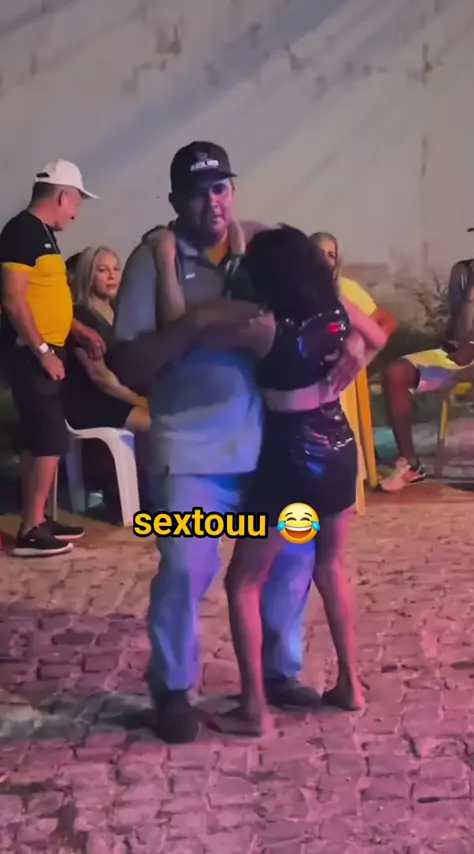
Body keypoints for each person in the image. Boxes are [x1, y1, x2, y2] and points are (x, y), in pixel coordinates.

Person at [113, 141, 332, 744]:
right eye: (196, 192)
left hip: (272, 448)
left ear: (232, 190)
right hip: (191, 451)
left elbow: (321, 310)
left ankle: (278, 672)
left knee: (293, 556)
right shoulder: (150, 261)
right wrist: (190, 328)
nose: (211, 201)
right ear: (174, 200)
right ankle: (172, 688)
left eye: (220, 188)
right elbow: (129, 365)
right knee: (186, 566)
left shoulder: (259, 249)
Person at [204, 226, 388, 736]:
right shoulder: (338, 309)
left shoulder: (261, 326)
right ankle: (350, 684)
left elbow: (191, 331)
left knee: (244, 581)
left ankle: (255, 708)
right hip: (337, 447)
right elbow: (379, 336)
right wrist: (355, 346)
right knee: (331, 566)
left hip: (286, 455)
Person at [0, 160, 105, 557]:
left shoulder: (42, 234)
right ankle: (31, 529)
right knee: (49, 437)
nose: (76, 212)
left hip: (44, 348)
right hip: (29, 351)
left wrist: (76, 329)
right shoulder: (23, 232)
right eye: (76, 201)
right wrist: (43, 352)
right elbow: (14, 299)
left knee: (40, 437)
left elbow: (45, 296)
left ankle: (38, 517)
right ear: (63, 196)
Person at [380, 225, 474, 491]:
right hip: (459, 354)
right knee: (395, 373)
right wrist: (472, 291)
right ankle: (410, 464)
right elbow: (460, 332)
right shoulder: (464, 272)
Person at [63, 246, 150, 434]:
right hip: (94, 400)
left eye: (116, 269)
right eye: (102, 270)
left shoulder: (120, 312)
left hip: (121, 393)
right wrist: (143, 402)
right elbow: (101, 378)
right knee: (164, 423)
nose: (112, 276)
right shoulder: (80, 316)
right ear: (88, 275)